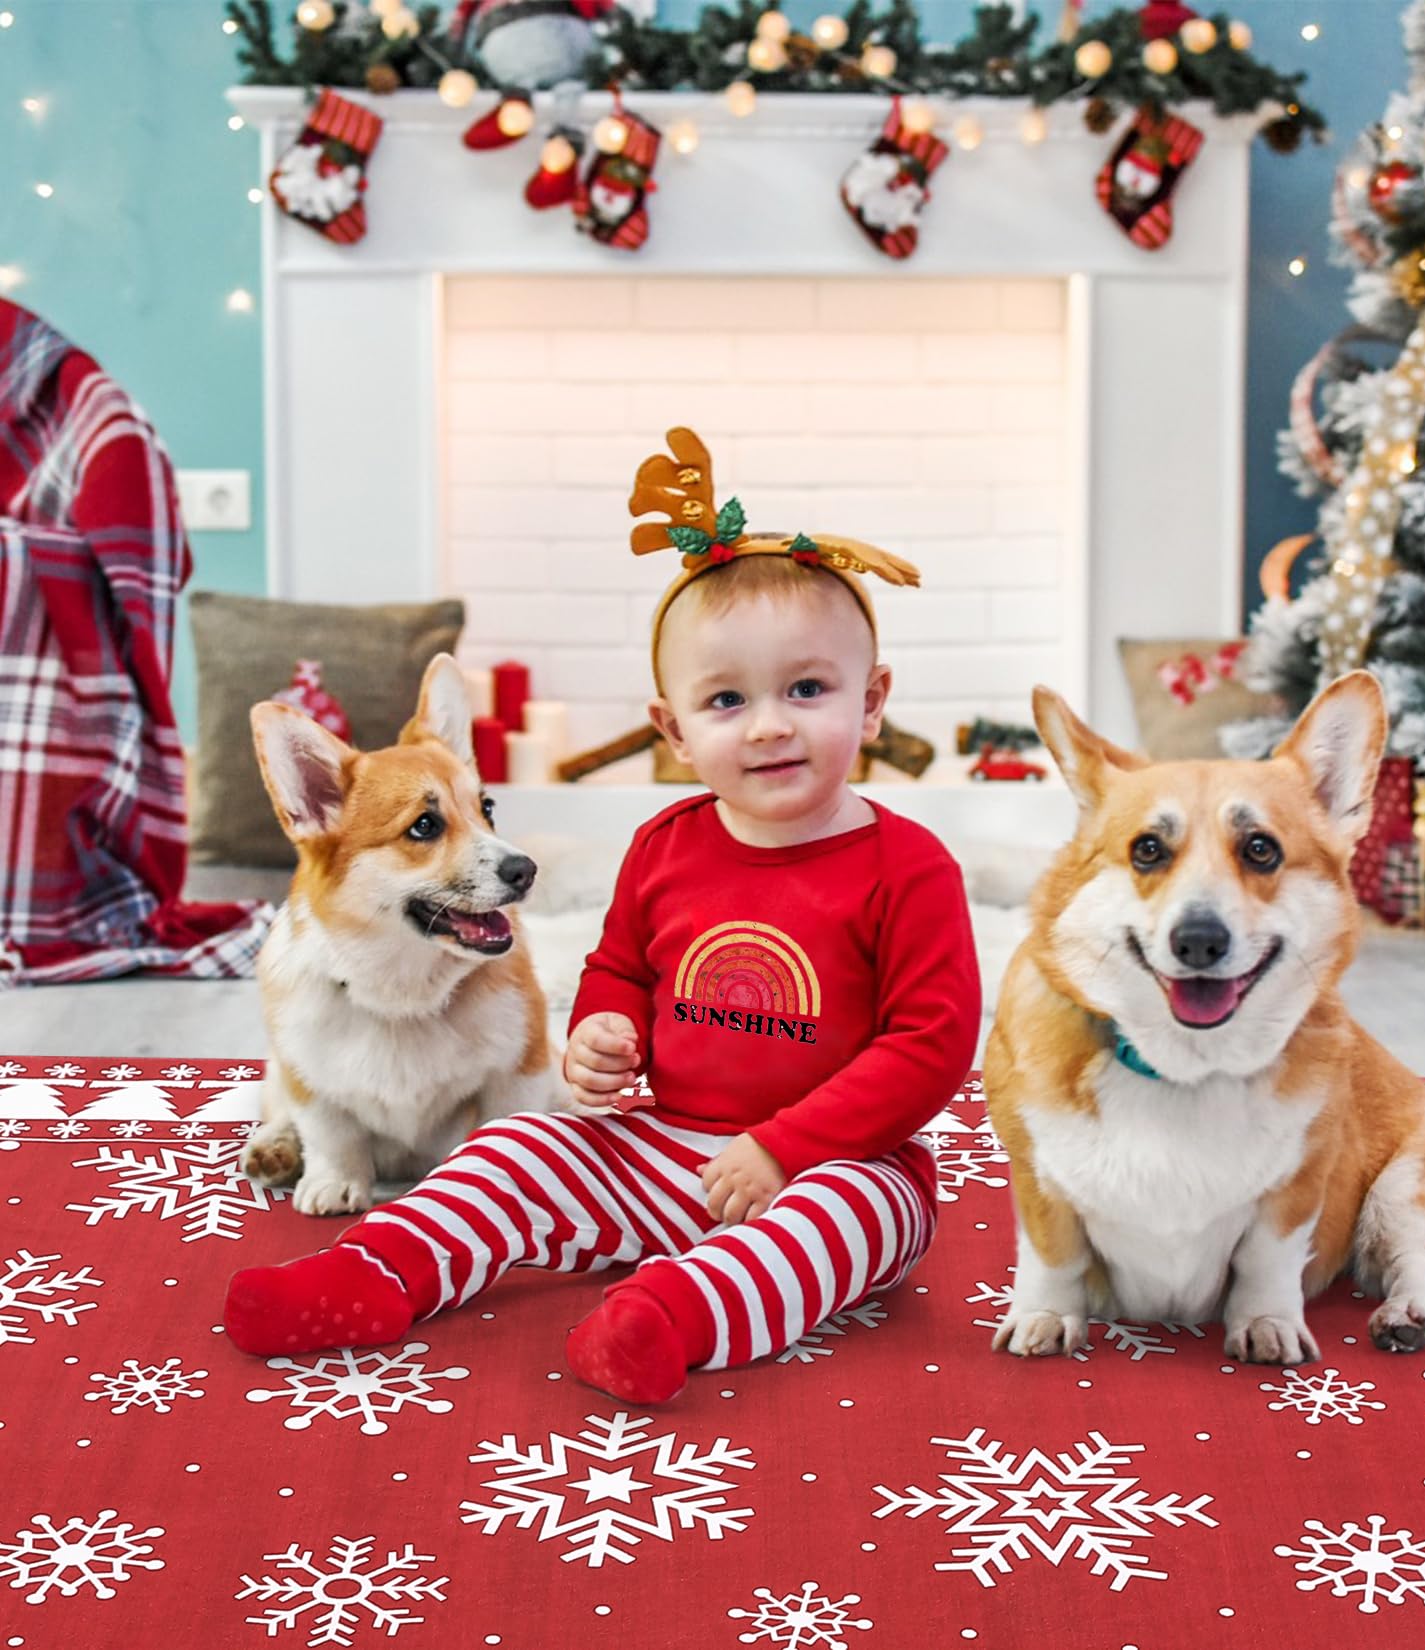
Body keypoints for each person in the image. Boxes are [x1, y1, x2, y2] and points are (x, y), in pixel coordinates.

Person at [221, 426, 982, 1404]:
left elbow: (929, 1048)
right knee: (517, 1146)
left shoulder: (909, 869)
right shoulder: (664, 845)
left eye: (807, 689)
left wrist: (784, 1148)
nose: (769, 724)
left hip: (830, 1163)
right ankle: (376, 1272)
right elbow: (619, 968)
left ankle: (673, 1317)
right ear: (673, 731)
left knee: (858, 1216)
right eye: (726, 700)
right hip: (667, 1145)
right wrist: (602, 1032)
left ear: (870, 704)